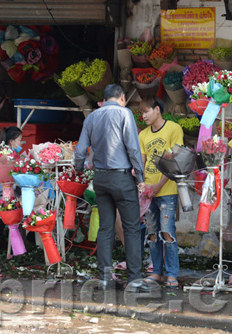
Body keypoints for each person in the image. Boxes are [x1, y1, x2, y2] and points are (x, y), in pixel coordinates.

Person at [74, 84, 150, 292]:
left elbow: (80, 150)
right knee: (132, 229)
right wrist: (140, 176)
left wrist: (79, 170)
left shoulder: (91, 117)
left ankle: (106, 279)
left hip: (100, 179)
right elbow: (133, 148)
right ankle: (134, 280)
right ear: (122, 98)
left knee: (106, 228)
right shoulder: (125, 114)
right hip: (122, 178)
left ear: (105, 99)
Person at [138, 95, 184, 289]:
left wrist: (158, 186)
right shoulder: (143, 136)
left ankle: (172, 274)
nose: (143, 116)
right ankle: (157, 271)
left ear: (157, 109)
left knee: (167, 232)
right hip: (148, 192)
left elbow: (175, 162)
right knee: (152, 234)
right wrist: (142, 184)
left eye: (146, 111)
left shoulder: (174, 129)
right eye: (141, 113)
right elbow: (141, 163)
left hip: (167, 189)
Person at [0, 126, 23, 262]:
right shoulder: (0, 155)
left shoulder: (16, 156)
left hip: (13, 193)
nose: (21, 143)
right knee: (1, 213)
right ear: (12, 142)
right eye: (20, 140)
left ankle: (19, 247)